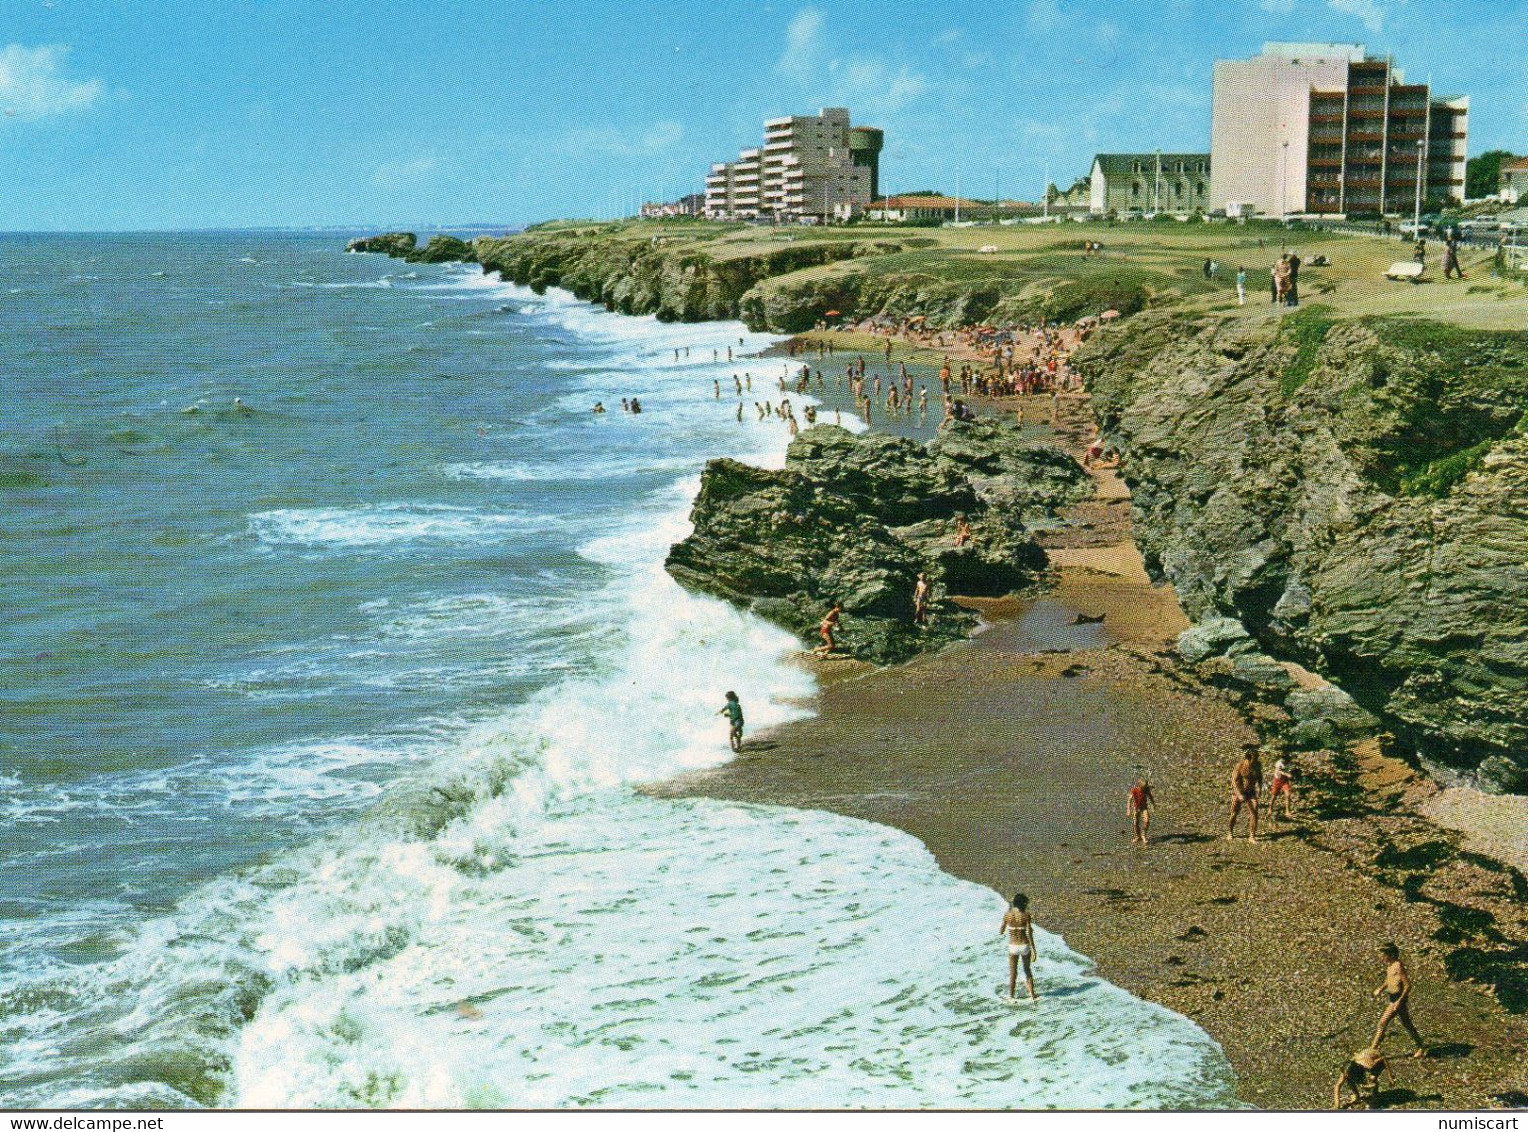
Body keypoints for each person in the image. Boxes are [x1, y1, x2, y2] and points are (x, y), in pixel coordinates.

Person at [1372, 943, 1427, 1057]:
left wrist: (1399, 1001)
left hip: (1397, 1000)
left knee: (1382, 1023)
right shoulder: (1390, 966)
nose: (1382, 956)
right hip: (1393, 999)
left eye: (1384, 954)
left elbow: (1407, 985)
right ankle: (1421, 1047)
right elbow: (1388, 981)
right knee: (1407, 1024)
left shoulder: (1398, 966)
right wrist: (1380, 989)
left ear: (1391, 954)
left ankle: (1372, 1050)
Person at [1000, 893, 1039, 1001]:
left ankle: (1011, 997)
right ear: (1023, 904)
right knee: (1027, 970)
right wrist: (1034, 950)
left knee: (1013, 973)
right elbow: (1029, 933)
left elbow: (1001, 931)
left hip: (1013, 946)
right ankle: (1032, 996)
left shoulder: (1007, 915)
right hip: (1024, 945)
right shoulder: (1026, 915)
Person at [1227, 748, 1263, 843]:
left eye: (1257, 758)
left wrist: (1260, 788)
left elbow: (1260, 777)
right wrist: (1239, 794)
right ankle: (1230, 832)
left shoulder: (1257, 765)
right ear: (1248, 758)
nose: (1256, 760)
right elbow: (1234, 781)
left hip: (1251, 792)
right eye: (1254, 758)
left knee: (1254, 812)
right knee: (1234, 813)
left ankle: (1252, 836)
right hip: (1239, 791)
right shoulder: (1240, 766)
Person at [1268, 755, 1296, 822]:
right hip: (1277, 780)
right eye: (1282, 760)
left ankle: (1287, 811)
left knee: (1288, 794)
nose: (1282, 761)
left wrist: (1291, 775)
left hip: (1284, 781)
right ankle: (1270, 808)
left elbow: (1291, 772)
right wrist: (1287, 774)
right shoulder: (1278, 763)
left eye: (1284, 760)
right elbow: (1279, 771)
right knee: (1274, 796)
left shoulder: (1290, 764)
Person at [1127, 777, 1155, 844]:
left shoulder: (1146, 790)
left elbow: (1150, 797)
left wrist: (1153, 804)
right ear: (1139, 786)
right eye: (1143, 787)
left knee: (1147, 821)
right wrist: (1128, 809)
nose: (1144, 789)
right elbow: (1129, 800)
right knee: (1135, 823)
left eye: (1145, 787)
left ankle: (1143, 835)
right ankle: (1137, 836)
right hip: (1136, 808)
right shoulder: (1134, 790)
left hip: (1144, 808)